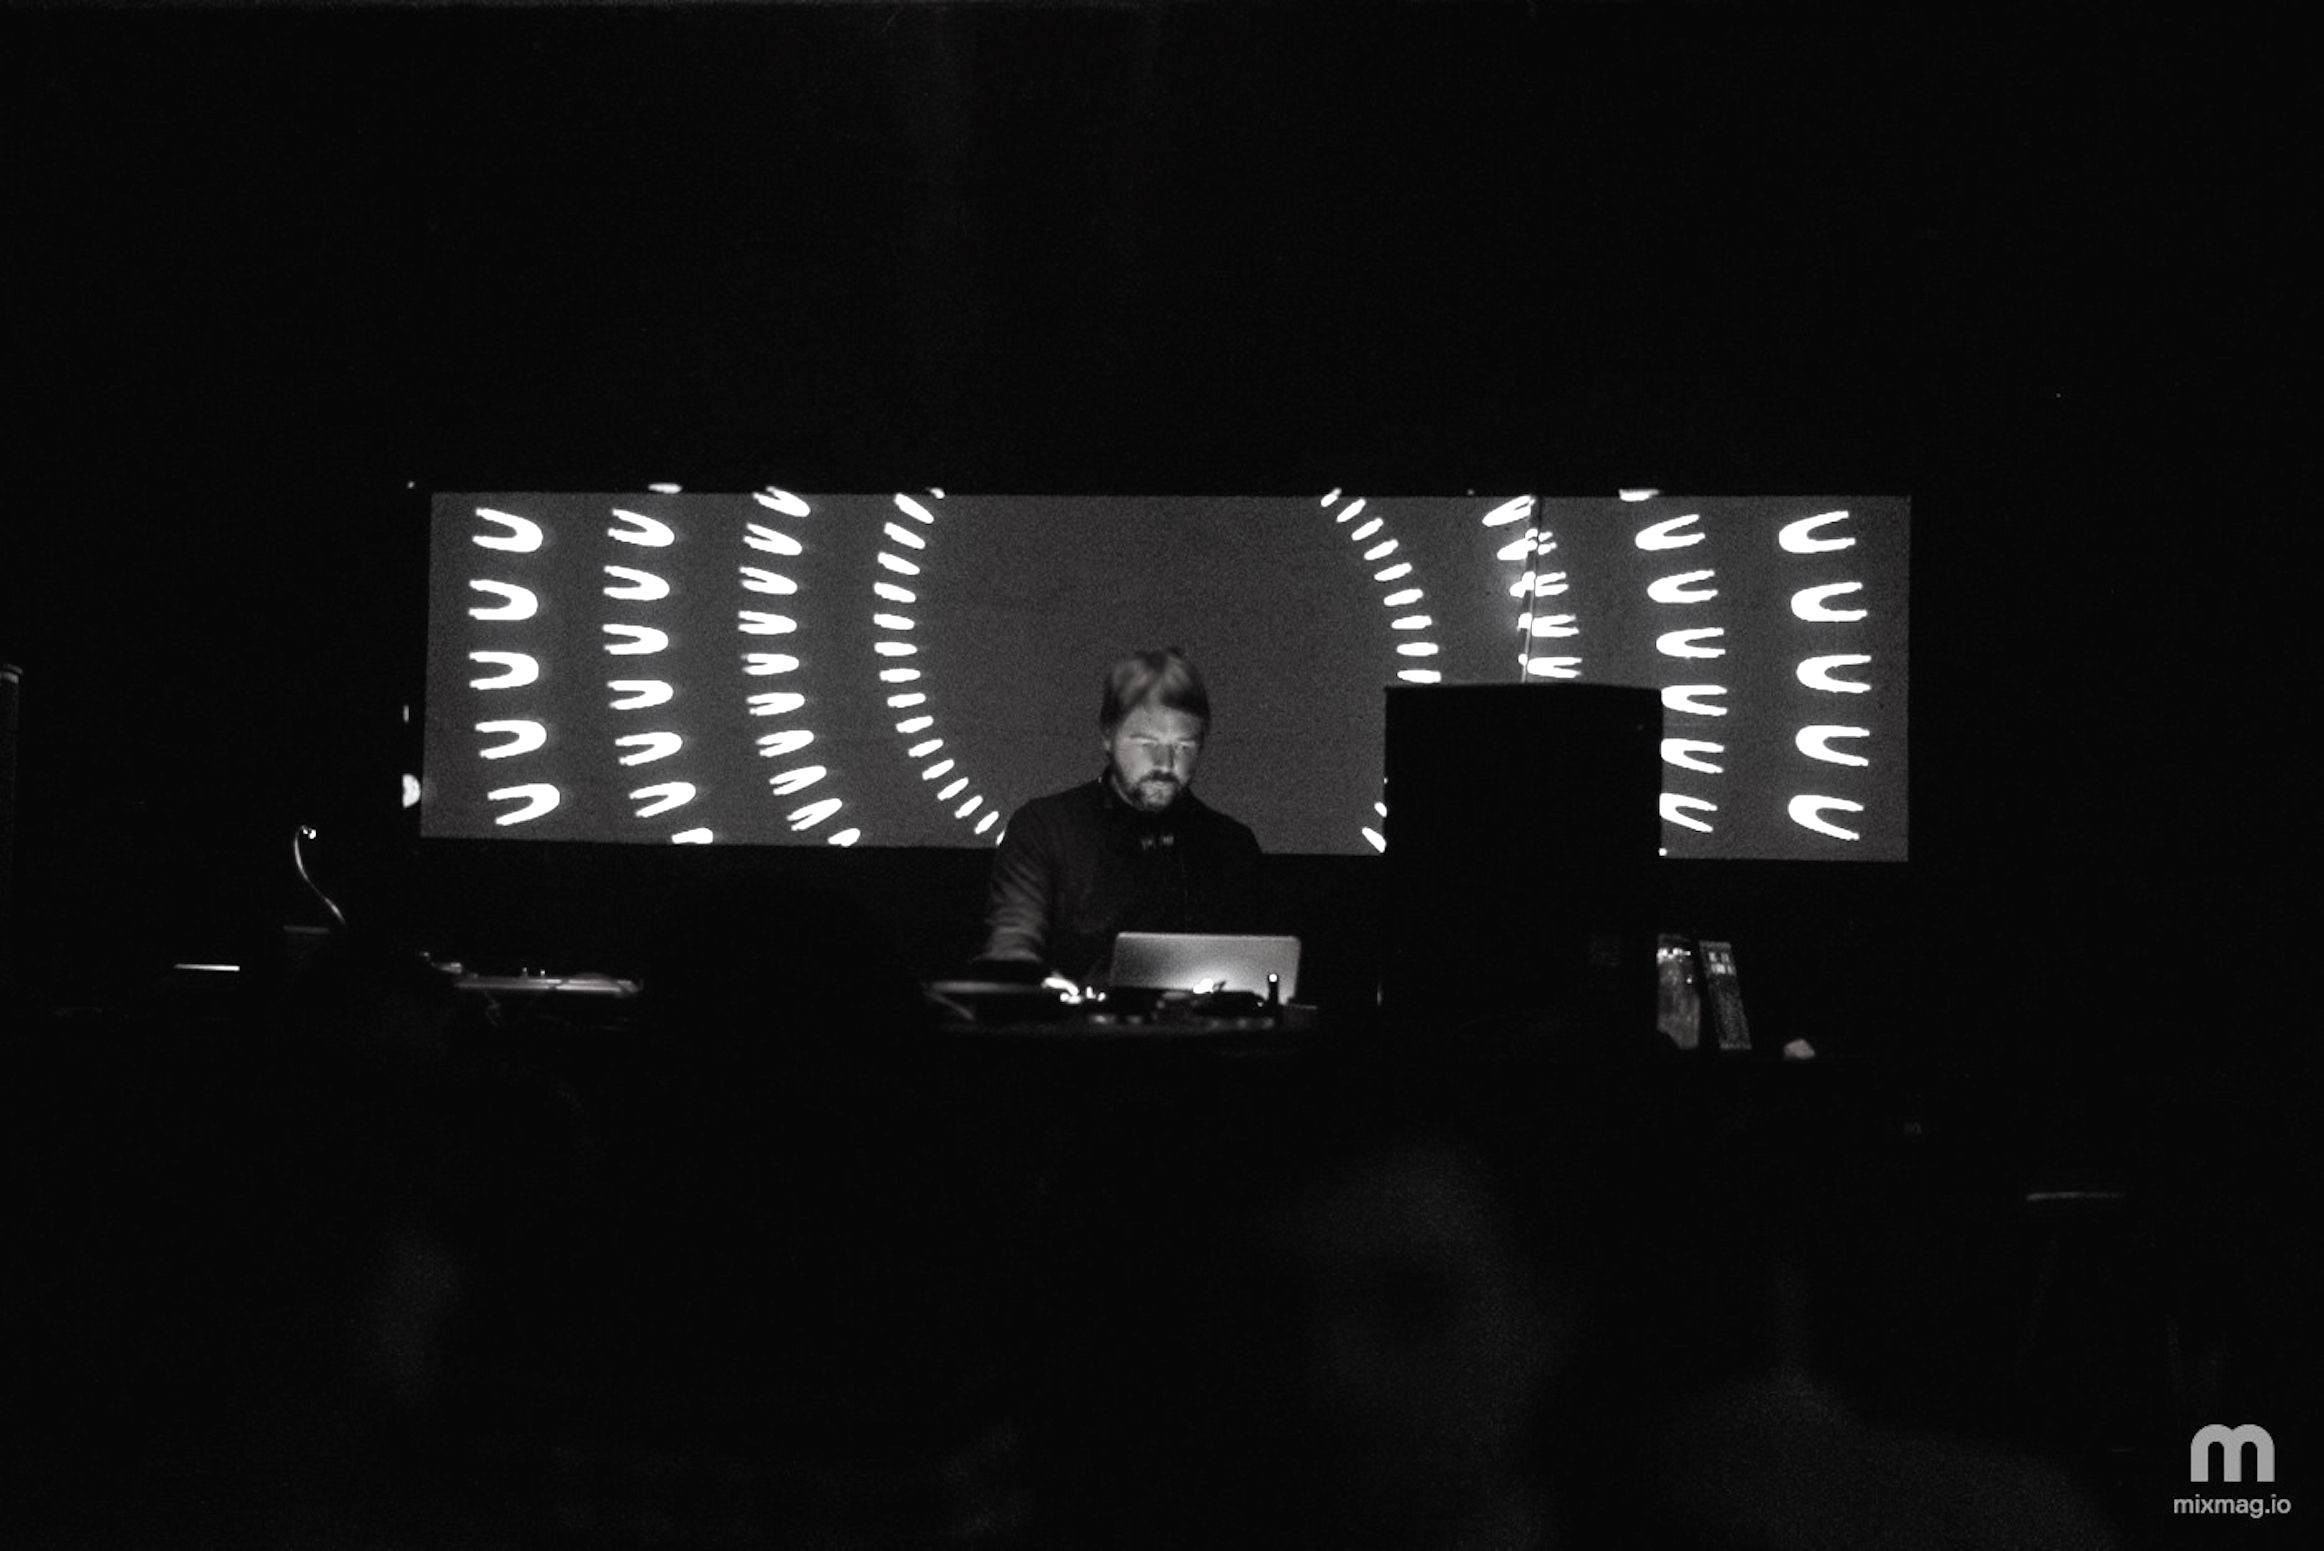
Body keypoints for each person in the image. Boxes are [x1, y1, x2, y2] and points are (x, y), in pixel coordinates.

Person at [978, 648, 1263, 986]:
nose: (1165, 763)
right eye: (1147, 743)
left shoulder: (1231, 845)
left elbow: (1255, 968)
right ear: (1107, 736)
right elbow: (1012, 946)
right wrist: (1041, 986)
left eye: (1183, 746)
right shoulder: (1045, 828)